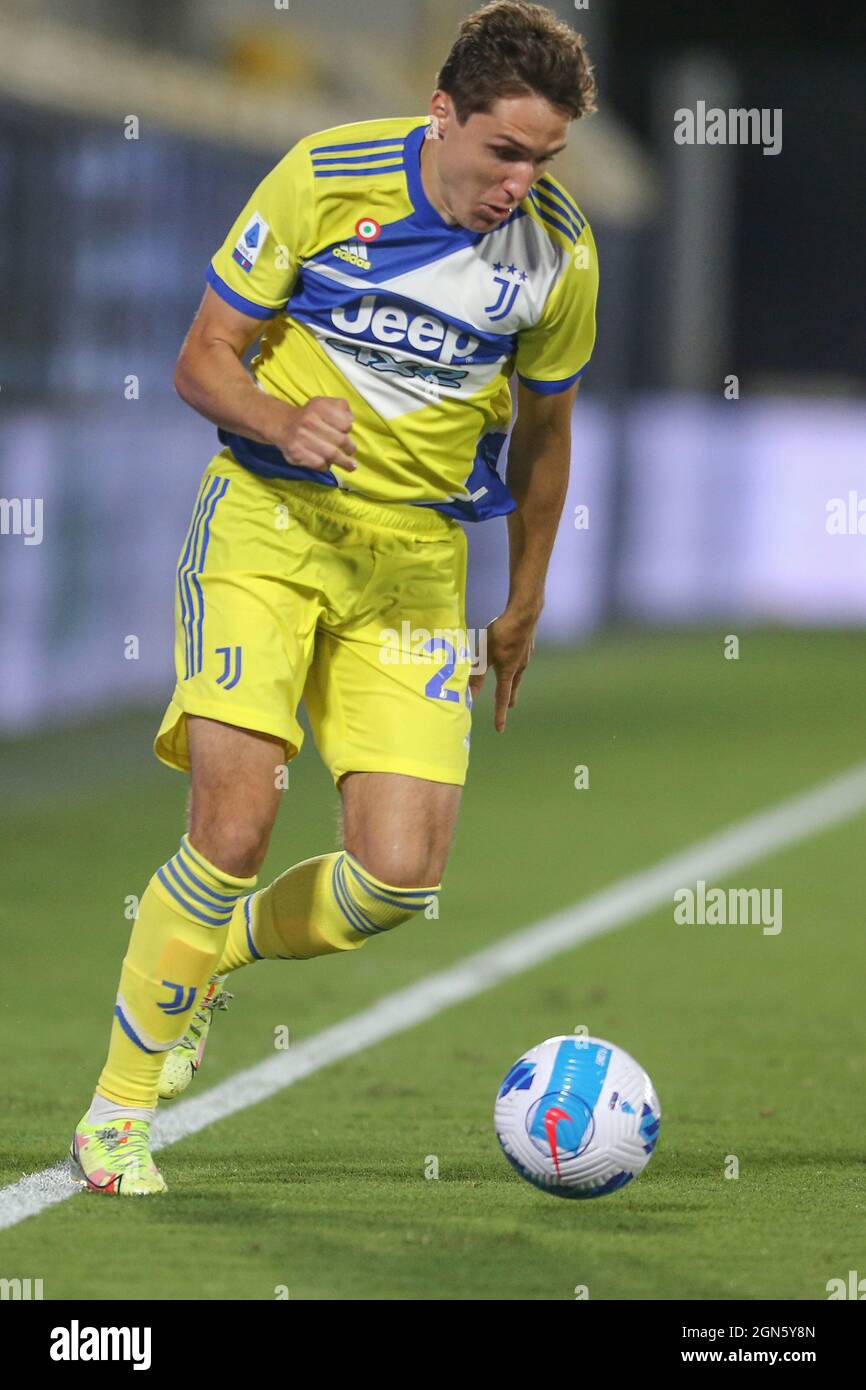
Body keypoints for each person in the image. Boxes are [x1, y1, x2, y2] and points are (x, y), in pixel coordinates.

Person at [69, 0, 598, 1195]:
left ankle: (204, 964)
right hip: (267, 527)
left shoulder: (558, 254)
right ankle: (116, 1114)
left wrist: (521, 601)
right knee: (234, 830)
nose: (520, 182)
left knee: (397, 880)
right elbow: (202, 355)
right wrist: (276, 418)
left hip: (415, 569)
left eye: (543, 160)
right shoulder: (326, 176)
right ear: (442, 115)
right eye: (502, 151)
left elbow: (546, 436)